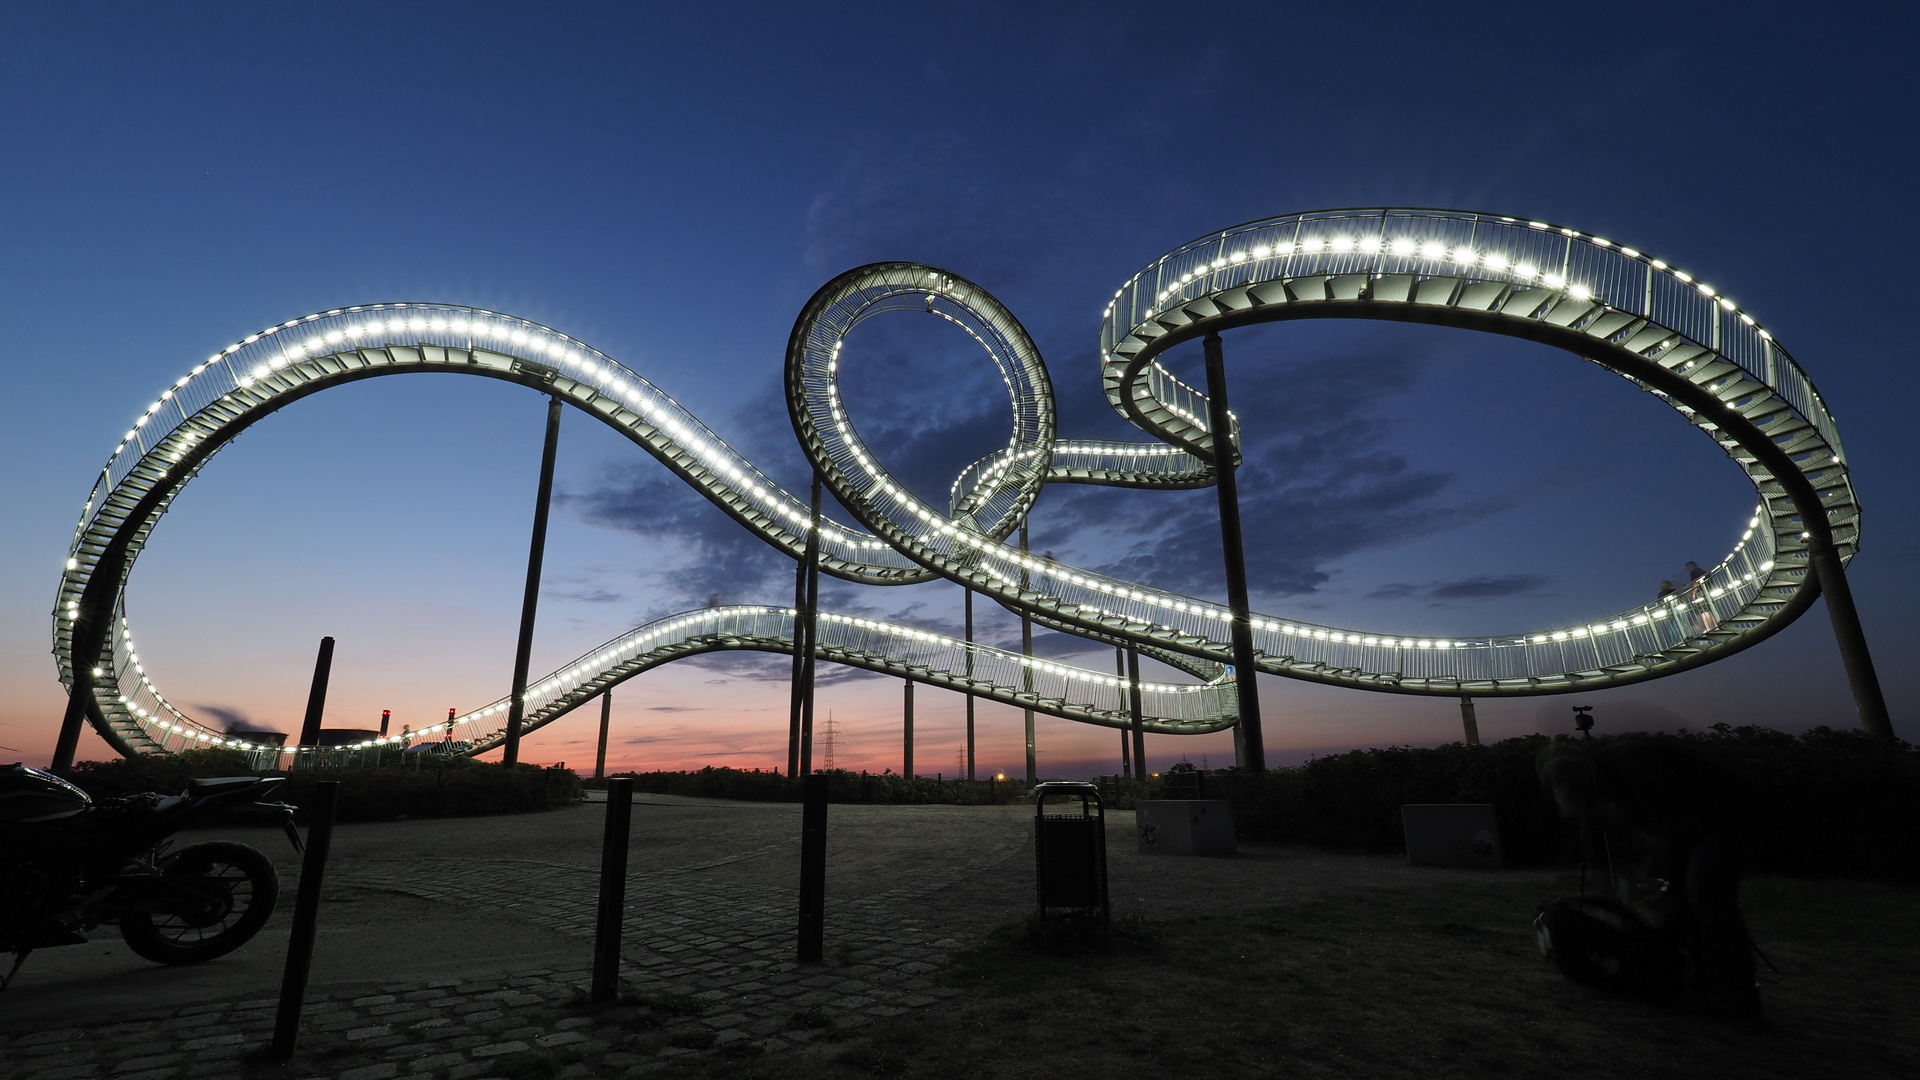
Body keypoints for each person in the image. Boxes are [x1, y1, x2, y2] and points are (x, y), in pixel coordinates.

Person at [1538, 734, 1763, 1018]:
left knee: (1706, 892)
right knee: (1679, 895)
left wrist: (1656, 861)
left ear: (1576, 783)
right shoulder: (1603, 777)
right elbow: (1602, 828)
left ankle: (1738, 995)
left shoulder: (1629, 765)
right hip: (1706, 818)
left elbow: (1677, 818)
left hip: (1731, 810)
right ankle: (1701, 977)